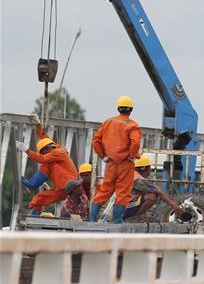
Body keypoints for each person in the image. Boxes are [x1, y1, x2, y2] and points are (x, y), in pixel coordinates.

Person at [90, 95, 142, 224]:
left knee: (104, 190)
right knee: (123, 193)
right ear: (131, 110)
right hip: (125, 164)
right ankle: (117, 220)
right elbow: (135, 143)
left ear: (118, 108)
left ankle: (92, 219)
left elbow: (96, 141)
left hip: (111, 164)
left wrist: (104, 156)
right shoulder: (132, 125)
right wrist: (131, 155)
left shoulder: (108, 122)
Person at [16, 117, 78, 215]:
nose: (43, 154)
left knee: (46, 163)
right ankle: (32, 220)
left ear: (47, 148)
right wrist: (38, 124)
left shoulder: (58, 152)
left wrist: (26, 150)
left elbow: (42, 159)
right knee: (39, 199)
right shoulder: (54, 147)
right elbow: (45, 137)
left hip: (67, 185)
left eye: (43, 152)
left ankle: (32, 184)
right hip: (62, 189)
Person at [124, 155, 184, 220]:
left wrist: (172, 200)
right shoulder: (139, 180)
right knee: (151, 197)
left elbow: (157, 188)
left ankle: (135, 217)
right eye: (150, 167)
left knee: (152, 193)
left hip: (123, 205)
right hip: (124, 207)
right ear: (144, 168)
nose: (151, 169)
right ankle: (135, 218)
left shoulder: (134, 175)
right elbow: (158, 191)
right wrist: (174, 205)